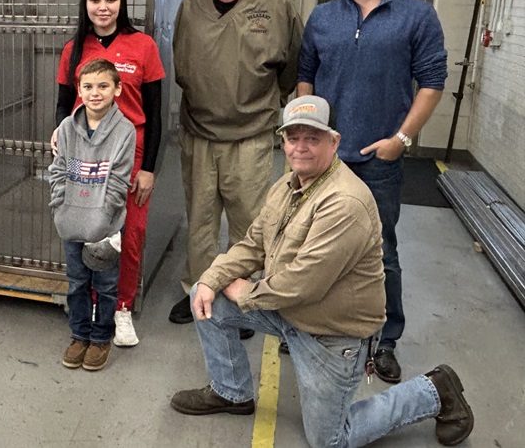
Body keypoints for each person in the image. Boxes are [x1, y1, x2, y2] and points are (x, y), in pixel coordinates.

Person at [170, 95, 473, 448]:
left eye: (312, 138)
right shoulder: (287, 185)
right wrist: (212, 278)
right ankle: (232, 391)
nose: (300, 147)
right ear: (283, 141)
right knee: (204, 295)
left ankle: (434, 391)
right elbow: (253, 245)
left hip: (332, 335)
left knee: (329, 440)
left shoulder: (344, 202)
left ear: (334, 141)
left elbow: (303, 283)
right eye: (293, 137)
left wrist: (247, 293)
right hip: (290, 313)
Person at [297, 0, 448, 383]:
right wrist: (308, 139)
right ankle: (311, 326)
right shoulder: (323, 16)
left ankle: (385, 341)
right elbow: (305, 78)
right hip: (326, 160)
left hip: (378, 160)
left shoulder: (417, 16)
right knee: (313, 245)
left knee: (381, 253)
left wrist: (400, 141)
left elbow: (432, 83)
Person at [170, 0, 302, 327]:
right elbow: (181, 63)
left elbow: (293, 65)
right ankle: (197, 289)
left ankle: (240, 300)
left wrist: (264, 102)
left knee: (248, 224)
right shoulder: (192, 4)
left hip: (250, 133)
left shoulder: (276, 4)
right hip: (198, 132)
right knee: (200, 221)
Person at [53, 0, 165, 347]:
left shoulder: (143, 46)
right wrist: (60, 134)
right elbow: (63, 105)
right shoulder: (74, 49)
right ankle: (89, 306)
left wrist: (148, 169)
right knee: (87, 230)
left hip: (129, 155)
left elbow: (155, 113)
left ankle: (121, 307)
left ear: (122, 3)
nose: (103, 7)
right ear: (85, 4)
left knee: (128, 236)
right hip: (85, 154)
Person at [49, 58, 135, 371]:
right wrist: (60, 207)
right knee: (76, 283)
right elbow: (58, 170)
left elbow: (119, 181)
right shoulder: (66, 128)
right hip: (71, 221)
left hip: (106, 225)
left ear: (117, 89)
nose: (95, 93)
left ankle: (100, 339)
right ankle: (79, 335)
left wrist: (103, 219)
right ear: (79, 90)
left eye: (103, 86)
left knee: (106, 286)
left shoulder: (125, 131)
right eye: (87, 86)